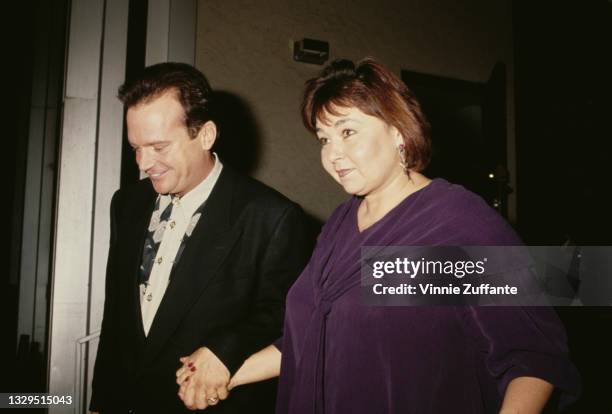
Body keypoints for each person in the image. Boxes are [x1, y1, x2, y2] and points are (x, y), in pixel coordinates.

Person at [177, 58, 581, 413]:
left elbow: (532, 358)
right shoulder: (338, 225)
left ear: (398, 131)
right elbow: (314, 338)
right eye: (323, 139)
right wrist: (224, 372)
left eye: (348, 132)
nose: (332, 154)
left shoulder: (455, 222)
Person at [90, 62, 311, 413]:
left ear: (205, 135)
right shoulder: (126, 203)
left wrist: (225, 348)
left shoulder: (272, 216)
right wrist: (102, 402)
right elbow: (116, 314)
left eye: (159, 147)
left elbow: (289, 316)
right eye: (136, 147)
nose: (144, 163)